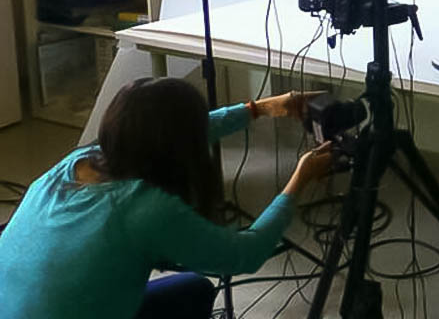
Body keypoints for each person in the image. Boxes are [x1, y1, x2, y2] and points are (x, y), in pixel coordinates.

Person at [0, 77, 333, 318]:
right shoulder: (145, 209)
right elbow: (244, 254)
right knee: (194, 290)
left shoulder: (77, 161)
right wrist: (300, 178)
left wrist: (257, 109)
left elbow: (175, 134)